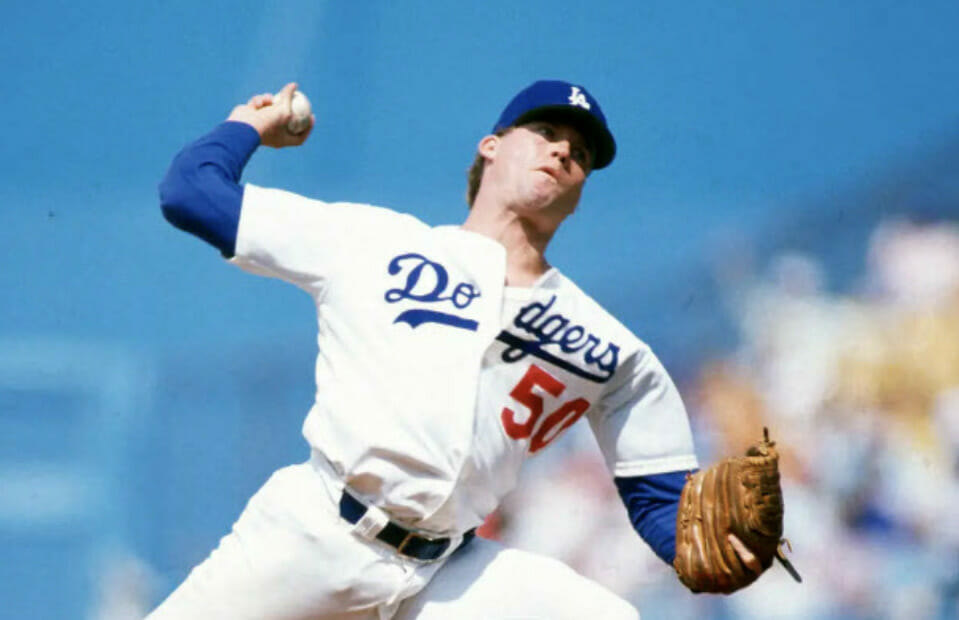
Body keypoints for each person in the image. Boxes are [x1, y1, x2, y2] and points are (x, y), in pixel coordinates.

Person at [148, 79, 775, 620]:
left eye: (580, 153)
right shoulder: (373, 241)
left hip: (447, 576)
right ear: (491, 146)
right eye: (546, 132)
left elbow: (664, 503)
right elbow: (191, 192)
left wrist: (715, 554)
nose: (563, 151)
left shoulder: (612, 348)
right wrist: (248, 125)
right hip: (314, 537)